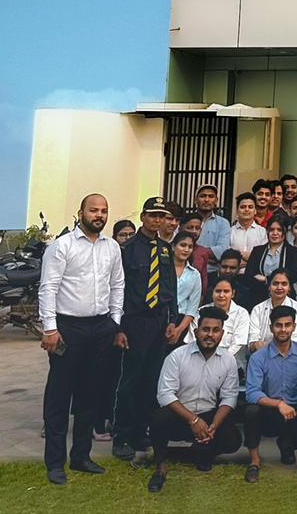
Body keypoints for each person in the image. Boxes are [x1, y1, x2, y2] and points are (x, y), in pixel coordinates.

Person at [39, 192, 124, 485]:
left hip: (100, 329)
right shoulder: (62, 246)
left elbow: (118, 285)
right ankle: (55, 463)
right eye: (93, 210)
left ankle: (81, 457)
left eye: (104, 211)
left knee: (90, 395)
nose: (99, 215)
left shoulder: (112, 247)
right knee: (59, 396)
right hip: (67, 329)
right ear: (81, 212)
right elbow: (48, 288)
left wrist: (114, 321)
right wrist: (50, 329)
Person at [145, 306, 241, 492]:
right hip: (180, 416)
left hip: (208, 418)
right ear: (196, 332)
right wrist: (193, 420)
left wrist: (213, 426)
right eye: (206, 329)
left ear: (222, 334)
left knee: (233, 439)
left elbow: (229, 397)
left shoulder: (228, 360)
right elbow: (165, 394)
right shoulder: (177, 356)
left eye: (215, 330)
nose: (210, 335)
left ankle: (199, 452)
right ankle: (160, 464)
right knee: (159, 418)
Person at [112, 196, 177, 462]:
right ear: (143, 217)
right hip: (135, 320)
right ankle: (122, 436)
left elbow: (170, 286)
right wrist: (119, 327)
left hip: (158, 321)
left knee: (151, 380)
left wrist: (172, 319)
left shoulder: (165, 249)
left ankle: (141, 432)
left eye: (161, 216)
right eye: (152, 215)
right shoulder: (127, 249)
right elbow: (118, 289)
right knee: (130, 380)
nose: (157, 220)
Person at [243, 303, 297, 481]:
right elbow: (252, 392)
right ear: (271, 327)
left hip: (295, 409)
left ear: (294, 327)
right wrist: (279, 404)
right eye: (278, 325)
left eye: (287, 325)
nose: (283, 330)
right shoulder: (259, 357)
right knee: (251, 411)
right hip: (269, 409)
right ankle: (254, 461)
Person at [243, 216, 297, 309]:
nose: (275, 233)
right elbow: (248, 276)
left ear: (285, 232)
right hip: (258, 297)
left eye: (279, 230)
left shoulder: (293, 252)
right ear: (267, 231)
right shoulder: (258, 250)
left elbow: (293, 276)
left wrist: (266, 279)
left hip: (285, 297)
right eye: (271, 230)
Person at [248, 269, 297, 349]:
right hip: (261, 353)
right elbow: (253, 342)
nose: (279, 287)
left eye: (284, 284)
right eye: (275, 283)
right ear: (269, 287)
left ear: (289, 288)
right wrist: (257, 346)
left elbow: (295, 339)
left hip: (289, 353)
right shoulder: (258, 309)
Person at [168, 232, 201, 347]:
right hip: (161, 317)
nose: (186, 249)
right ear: (173, 246)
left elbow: (193, 307)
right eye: (182, 245)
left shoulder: (195, 274)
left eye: (190, 246)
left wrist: (179, 330)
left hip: (182, 321)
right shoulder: (163, 268)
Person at [228, 193, 267, 265]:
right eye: (243, 207)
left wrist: (240, 256)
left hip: (255, 271)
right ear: (237, 211)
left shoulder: (263, 232)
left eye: (250, 207)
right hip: (234, 271)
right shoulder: (229, 232)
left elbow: (264, 257)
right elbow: (227, 257)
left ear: (255, 211)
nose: (246, 209)